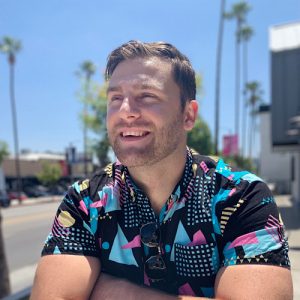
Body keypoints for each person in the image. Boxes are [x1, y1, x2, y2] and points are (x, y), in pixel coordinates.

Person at [31, 40, 293, 300]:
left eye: (147, 96)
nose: (125, 111)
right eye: (116, 97)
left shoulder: (242, 197)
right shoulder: (85, 202)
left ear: (188, 115)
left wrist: (117, 292)